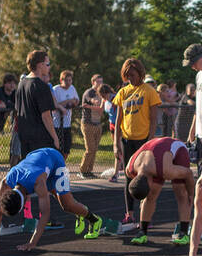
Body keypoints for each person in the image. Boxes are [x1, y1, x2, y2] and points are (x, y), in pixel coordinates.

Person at [0, 147, 102, 253]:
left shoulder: (39, 184)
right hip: (38, 161)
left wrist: (32, 243)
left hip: (55, 161)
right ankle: (79, 211)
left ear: (22, 206)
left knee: (67, 205)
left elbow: (45, 214)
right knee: (66, 202)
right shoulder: (5, 183)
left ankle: (94, 220)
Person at [111, 57, 162, 220]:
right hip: (127, 140)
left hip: (143, 141)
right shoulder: (123, 92)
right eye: (127, 76)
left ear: (140, 73)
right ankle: (129, 214)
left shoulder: (149, 91)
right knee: (128, 177)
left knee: (144, 178)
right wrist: (115, 143)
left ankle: (144, 216)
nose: (130, 79)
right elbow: (118, 119)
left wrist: (150, 141)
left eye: (132, 75)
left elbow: (154, 119)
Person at [124, 137, 194, 246]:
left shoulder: (166, 170)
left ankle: (184, 233)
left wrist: (191, 194)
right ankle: (142, 232)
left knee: (181, 192)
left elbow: (189, 173)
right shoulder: (130, 169)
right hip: (155, 156)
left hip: (176, 148)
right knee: (151, 195)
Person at [14, 49, 62, 157]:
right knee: (42, 170)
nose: (49, 67)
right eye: (48, 64)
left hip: (24, 135)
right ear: (40, 65)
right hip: (39, 138)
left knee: (30, 169)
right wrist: (55, 137)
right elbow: (46, 116)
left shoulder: (21, 84)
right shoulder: (41, 86)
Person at [79, 73, 105, 177]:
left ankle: (89, 171)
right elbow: (94, 102)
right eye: (98, 82)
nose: (100, 84)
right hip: (88, 124)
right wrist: (98, 104)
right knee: (90, 149)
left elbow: (101, 109)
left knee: (94, 149)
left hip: (97, 123)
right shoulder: (89, 92)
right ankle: (82, 170)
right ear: (93, 82)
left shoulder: (101, 93)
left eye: (101, 82)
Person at [51, 69, 79, 157]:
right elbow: (54, 105)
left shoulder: (72, 88)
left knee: (67, 148)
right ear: (61, 80)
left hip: (67, 123)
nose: (68, 82)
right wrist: (68, 101)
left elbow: (76, 100)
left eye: (70, 80)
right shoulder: (55, 89)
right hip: (57, 124)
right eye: (66, 80)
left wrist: (73, 103)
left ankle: (61, 166)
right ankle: (56, 167)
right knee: (57, 148)